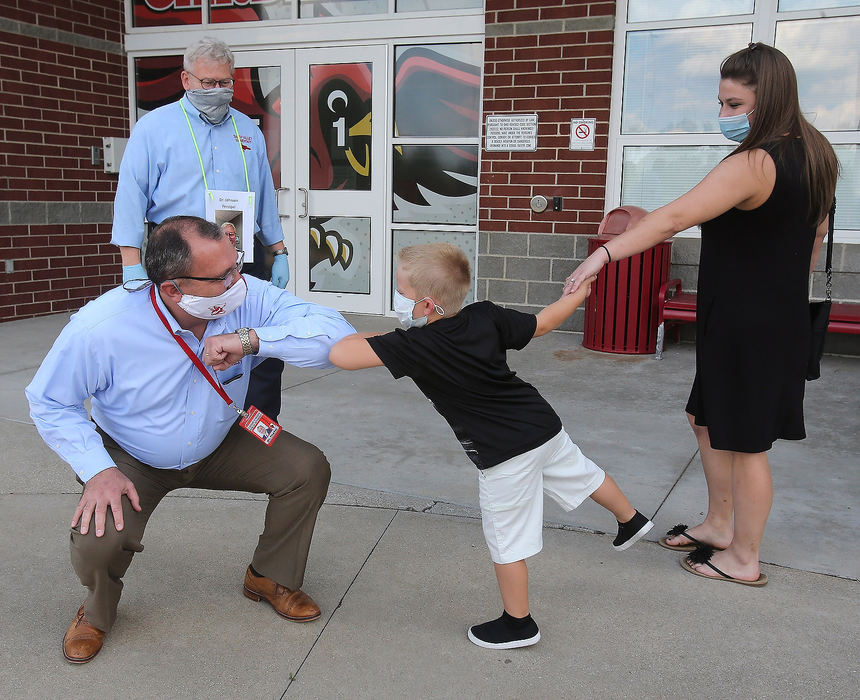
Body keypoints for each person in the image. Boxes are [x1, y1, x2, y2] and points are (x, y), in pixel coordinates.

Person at [564, 43, 838, 587]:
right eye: (722, 103)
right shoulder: (817, 154)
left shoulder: (756, 162)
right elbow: (816, 238)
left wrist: (603, 252)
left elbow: (674, 217)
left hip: (748, 322)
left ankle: (743, 558)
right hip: (764, 314)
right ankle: (718, 525)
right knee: (706, 419)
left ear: (772, 99)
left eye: (736, 105)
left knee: (746, 443)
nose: (725, 117)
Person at [26, 216, 355, 664]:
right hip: (133, 454)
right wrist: (98, 469)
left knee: (306, 469)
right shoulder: (102, 327)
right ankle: (97, 613)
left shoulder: (245, 298)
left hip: (221, 438)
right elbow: (49, 401)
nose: (237, 282)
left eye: (235, 267)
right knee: (96, 539)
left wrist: (253, 338)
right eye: (220, 277)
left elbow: (334, 335)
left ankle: (268, 575)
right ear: (171, 289)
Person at [328, 243, 653, 649]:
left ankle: (519, 624)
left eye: (401, 292)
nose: (396, 299)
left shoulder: (413, 346)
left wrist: (387, 335)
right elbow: (543, 324)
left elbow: (341, 353)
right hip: (540, 424)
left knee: (506, 539)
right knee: (583, 474)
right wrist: (577, 295)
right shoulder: (485, 314)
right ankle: (631, 519)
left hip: (504, 457)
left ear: (426, 305)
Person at [111, 36, 288, 420]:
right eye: (208, 83)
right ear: (186, 80)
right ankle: (180, 426)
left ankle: (259, 431)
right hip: (179, 256)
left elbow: (264, 196)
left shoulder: (248, 130)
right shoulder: (154, 127)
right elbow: (131, 196)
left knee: (258, 347)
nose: (218, 91)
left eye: (226, 83)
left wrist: (279, 251)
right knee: (179, 345)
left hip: (237, 254)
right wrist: (131, 261)